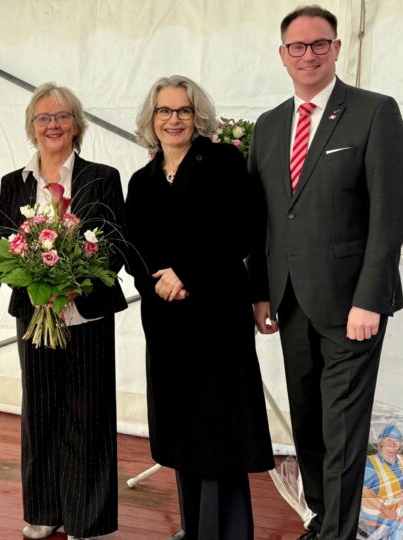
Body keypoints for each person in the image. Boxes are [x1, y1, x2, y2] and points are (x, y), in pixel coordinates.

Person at [247, 5, 403, 539]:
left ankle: (338, 534)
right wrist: (261, 292)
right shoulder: (269, 126)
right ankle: (322, 519)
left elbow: (389, 214)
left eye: (320, 43)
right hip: (290, 300)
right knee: (308, 421)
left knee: (342, 425)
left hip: (351, 306)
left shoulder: (374, 112)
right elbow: (262, 219)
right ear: (282, 55)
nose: (309, 55)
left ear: (337, 48)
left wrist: (370, 298)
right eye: (297, 46)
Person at [124, 75, 273, 540]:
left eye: (183, 110)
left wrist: (185, 274)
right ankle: (194, 528)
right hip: (166, 319)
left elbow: (242, 231)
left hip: (217, 314)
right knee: (183, 427)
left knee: (220, 427)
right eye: (165, 111)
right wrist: (160, 284)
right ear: (151, 118)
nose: (174, 120)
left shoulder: (224, 162)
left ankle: (227, 531)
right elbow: (133, 248)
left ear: (197, 116)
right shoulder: (142, 180)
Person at [0, 82, 127, 540]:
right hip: (34, 316)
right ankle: (44, 510)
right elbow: (0, 247)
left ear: (76, 124)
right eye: (44, 118)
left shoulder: (102, 177)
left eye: (62, 116)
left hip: (87, 314)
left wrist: (74, 284)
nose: (53, 125)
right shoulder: (13, 183)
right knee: (39, 412)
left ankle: (88, 520)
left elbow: (115, 246)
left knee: (88, 414)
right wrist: (36, 285)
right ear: (32, 127)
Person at [361, 425, 403, 532]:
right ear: (381, 442)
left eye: (396, 440)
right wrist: (386, 511)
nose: (392, 443)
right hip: (376, 519)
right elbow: (364, 491)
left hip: (395, 516)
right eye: (388, 439)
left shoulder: (400, 460)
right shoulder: (370, 462)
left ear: (400, 445)